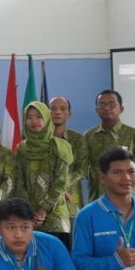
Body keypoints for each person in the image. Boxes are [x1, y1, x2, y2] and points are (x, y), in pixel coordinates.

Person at [14, 101, 75, 247]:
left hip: (56, 216)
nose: (34, 121)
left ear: (47, 118)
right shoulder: (22, 148)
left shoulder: (61, 146)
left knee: (58, 257)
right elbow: (19, 181)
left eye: (39, 116)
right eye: (29, 117)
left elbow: (60, 182)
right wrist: (29, 211)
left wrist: (42, 210)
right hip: (28, 217)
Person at [84, 89, 135, 205]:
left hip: (129, 200)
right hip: (98, 200)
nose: (107, 108)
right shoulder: (88, 136)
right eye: (102, 104)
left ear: (121, 109)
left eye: (112, 104)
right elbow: (83, 169)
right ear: (96, 110)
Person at [50, 96, 89, 229]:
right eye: (53, 109)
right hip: (44, 206)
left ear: (69, 114)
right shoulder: (40, 140)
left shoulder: (78, 139)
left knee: (73, 238)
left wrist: (60, 185)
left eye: (63, 109)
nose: (58, 112)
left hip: (71, 202)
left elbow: (82, 170)